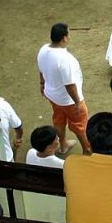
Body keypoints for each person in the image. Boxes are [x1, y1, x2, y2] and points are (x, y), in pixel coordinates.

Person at [38, 22, 88, 154]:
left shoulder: (43, 49)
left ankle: (63, 145)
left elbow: (41, 70)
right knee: (79, 125)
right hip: (68, 100)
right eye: (68, 34)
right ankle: (87, 149)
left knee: (59, 120)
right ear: (64, 38)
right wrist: (77, 102)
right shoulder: (65, 59)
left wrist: (42, 84)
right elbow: (69, 84)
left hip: (52, 95)